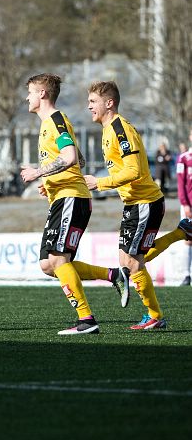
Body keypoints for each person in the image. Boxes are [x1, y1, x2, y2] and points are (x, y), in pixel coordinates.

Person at [83, 81, 192, 330]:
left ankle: (154, 316)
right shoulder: (107, 129)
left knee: (132, 263)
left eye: (92, 102)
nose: (88, 107)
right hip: (135, 203)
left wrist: (100, 183)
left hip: (144, 202)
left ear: (109, 103)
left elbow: (133, 170)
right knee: (130, 262)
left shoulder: (120, 129)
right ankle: (180, 233)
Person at [19, 73, 114, 335]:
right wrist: (50, 180)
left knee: (58, 259)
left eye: (30, 92)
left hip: (71, 198)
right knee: (48, 265)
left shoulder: (55, 120)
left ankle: (87, 320)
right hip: (64, 196)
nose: (27, 97)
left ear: (43, 95)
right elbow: (80, 159)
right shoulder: (50, 124)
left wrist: (39, 172)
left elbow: (71, 157)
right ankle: (113, 276)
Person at [175, 139, 192, 285]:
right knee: (188, 239)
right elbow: (180, 183)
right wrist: (185, 204)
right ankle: (186, 275)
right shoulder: (184, 158)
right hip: (189, 206)